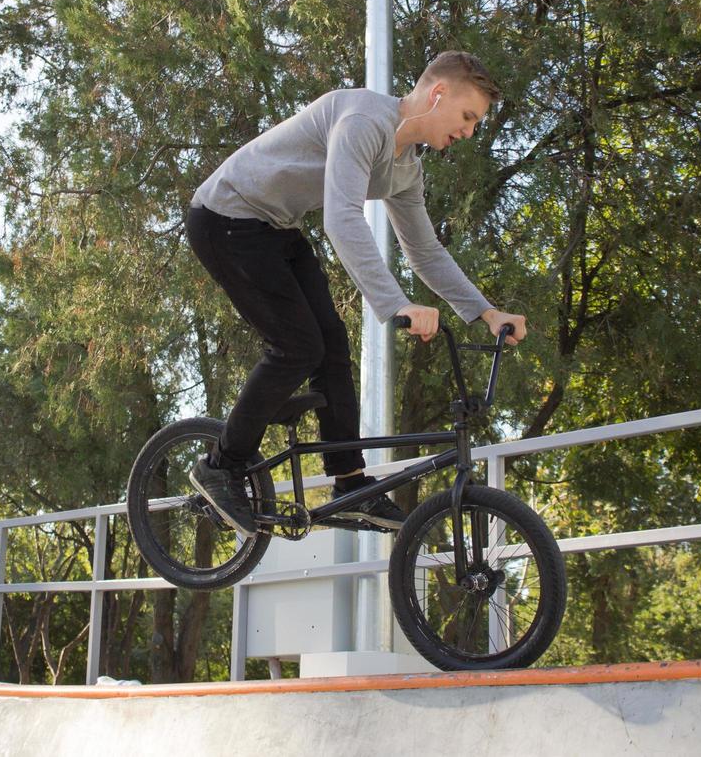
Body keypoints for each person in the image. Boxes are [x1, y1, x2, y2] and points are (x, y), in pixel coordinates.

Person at [185, 50, 528, 536]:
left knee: (332, 347)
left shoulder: (407, 168)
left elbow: (424, 250)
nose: (469, 132)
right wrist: (396, 304)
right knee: (298, 346)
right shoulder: (366, 120)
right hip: (225, 217)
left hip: (274, 227)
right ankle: (221, 465)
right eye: (468, 116)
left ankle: (349, 484)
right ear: (437, 94)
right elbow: (341, 216)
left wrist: (486, 312)